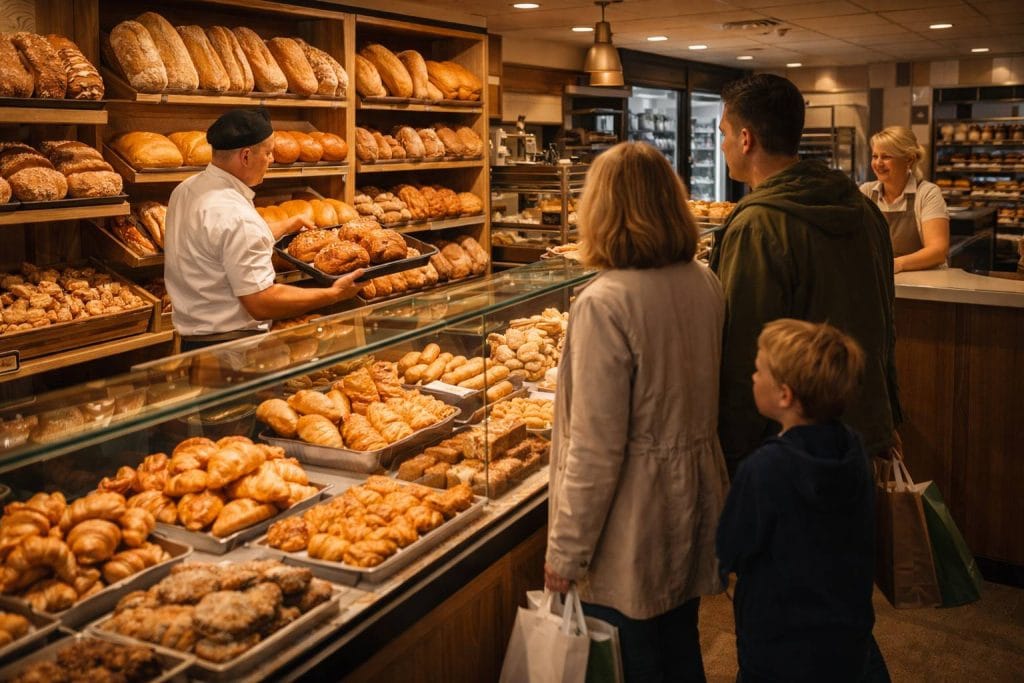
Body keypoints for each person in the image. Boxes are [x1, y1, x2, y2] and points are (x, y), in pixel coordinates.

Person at [544, 141, 729, 682]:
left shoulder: (605, 301)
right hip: (692, 498)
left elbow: (595, 450)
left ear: (600, 212)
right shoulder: (703, 280)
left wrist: (565, 553)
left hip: (629, 523)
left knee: (631, 661)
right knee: (678, 650)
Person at [709, 73, 901, 475]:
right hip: (861, 430)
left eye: (725, 132)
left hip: (788, 447)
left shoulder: (758, 224)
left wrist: (732, 455)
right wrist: (887, 417)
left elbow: (746, 350)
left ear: (746, 139)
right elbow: (884, 321)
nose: (723, 144)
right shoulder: (863, 209)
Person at [716, 318, 886, 683]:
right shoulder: (853, 450)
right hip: (846, 627)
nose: (752, 377)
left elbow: (732, 545)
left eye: (758, 370)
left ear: (785, 395)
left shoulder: (763, 468)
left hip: (777, 638)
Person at [165, 107, 363, 352]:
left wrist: (285, 225)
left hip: (193, 342)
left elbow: (219, 243)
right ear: (246, 156)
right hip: (233, 349)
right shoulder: (237, 215)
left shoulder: (186, 190)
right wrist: (333, 294)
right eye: (268, 153)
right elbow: (261, 301)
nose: (271, 160)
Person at [861, 125, 949, 272]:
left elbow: (938, 250)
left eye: (886, 157)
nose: (878, 163)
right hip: (882, 278)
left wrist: (896, 264)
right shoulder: (867, 192)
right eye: (875, 156)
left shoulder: (927, 193)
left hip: (924, 284)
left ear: (909, 159)